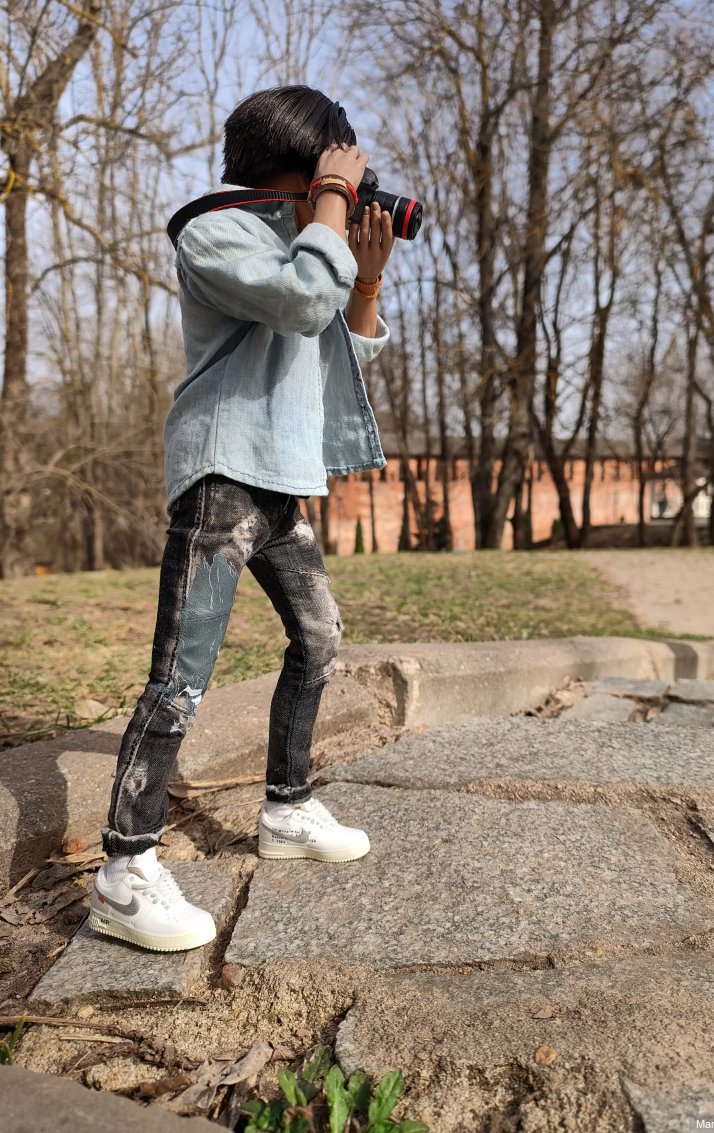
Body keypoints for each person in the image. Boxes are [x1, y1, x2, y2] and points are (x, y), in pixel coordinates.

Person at [89, 86, 394, 953]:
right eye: (332, 172)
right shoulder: (215, 230)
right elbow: (299, 302)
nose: (345, 193)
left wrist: (365, 275)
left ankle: (288, 809)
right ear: (296, 168)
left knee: (320, 637)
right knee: (181, 676)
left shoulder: (305, 244)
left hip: (279, 484)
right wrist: (330, 207)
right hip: (223, 477)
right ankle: (123, 872)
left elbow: (336, 349)